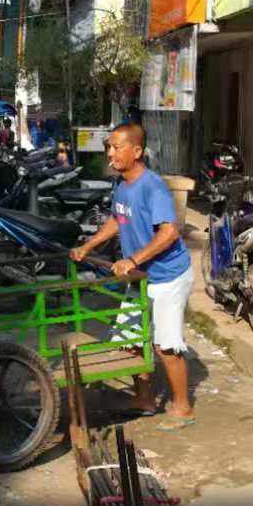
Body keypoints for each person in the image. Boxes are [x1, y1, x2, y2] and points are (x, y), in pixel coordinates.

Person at [69, 123, 195, 430]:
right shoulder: (122, 186)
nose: (110, 154)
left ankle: (182, 408)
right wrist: (88, 246)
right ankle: (145, 399)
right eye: (108, 147)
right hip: (141, 277)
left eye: (116, 147)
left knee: (166, 346)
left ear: (136, 151)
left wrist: (133, 259)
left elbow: (169, 232)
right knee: (130, 339)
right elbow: (117, 219)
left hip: (167, 276)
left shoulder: (152, 187)